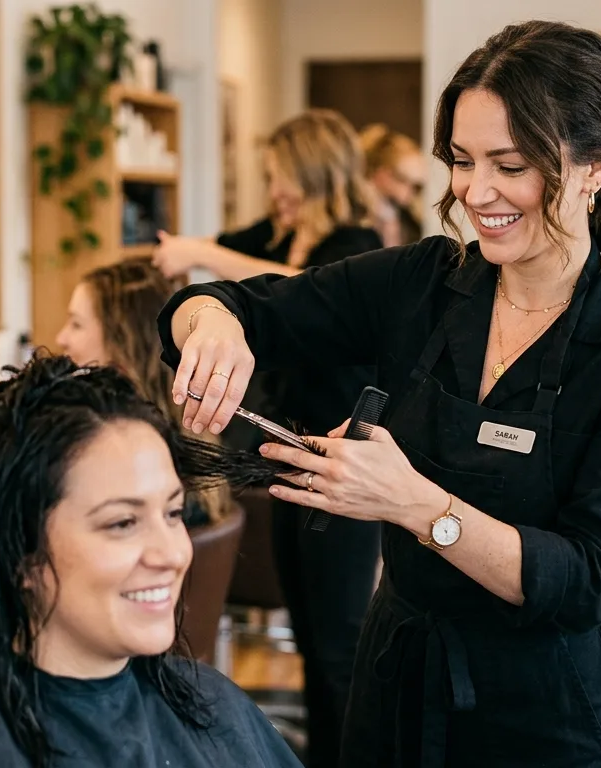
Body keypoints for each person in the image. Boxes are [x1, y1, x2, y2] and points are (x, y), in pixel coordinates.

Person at [158, 20, 601, 767]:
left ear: (594, 167)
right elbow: (230, 302)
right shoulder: (423, 286)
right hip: (396, 693)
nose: (478, 193)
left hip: (545, 718)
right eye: (463, 160)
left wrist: (413, 504)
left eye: (511, 165)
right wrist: (212, 325)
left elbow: (587, 580)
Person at [0, 356, 302, 767]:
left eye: (172, 513)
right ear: (14, 550)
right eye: (123, 523)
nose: (173, 553)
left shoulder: (215, 707)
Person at [153, 109, 383, 768]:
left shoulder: (354, 245)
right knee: (310, 637)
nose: (275, 191)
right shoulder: (282, 235)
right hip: (283, 463)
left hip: (342, 470)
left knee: (339, 643)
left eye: (281, 177)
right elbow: (235, 288)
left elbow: (285, 292)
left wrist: (201, 252)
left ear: (314, 172)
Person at [55, 257, 233, 529]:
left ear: (122, 343)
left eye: (76, 324)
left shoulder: (122, 463)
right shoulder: (188, 448)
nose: (61, 339)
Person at [360, 123, 426, 246]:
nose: (411, 191)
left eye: (417, 186)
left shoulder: (410, 221)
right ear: (381, 173)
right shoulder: (356, 217)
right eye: (403, 180)